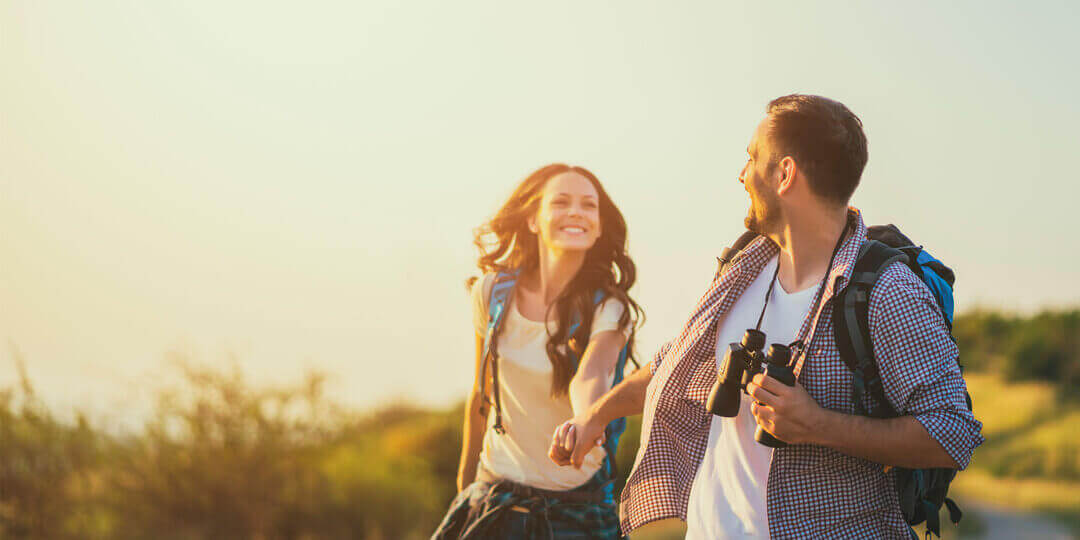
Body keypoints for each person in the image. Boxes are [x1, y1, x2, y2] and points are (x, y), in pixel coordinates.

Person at [551, 95, 984, 539]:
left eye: (751, 158)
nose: (741, 175)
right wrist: (596, 417)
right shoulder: (741, 266)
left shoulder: (886, 290)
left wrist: (818, 425)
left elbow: (952, 432)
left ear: (785, 174)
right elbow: (672, 363)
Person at [433, 163, 643, 539]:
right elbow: (481, 394)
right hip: (495, 500)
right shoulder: (492, 293)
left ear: (598, 225)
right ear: (533, 220)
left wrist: (586, 419)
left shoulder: (609, 308)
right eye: (561, 202)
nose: (577, 212)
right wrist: (466, 489)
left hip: (576, 512)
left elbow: (592, 374)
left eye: (589, 205)